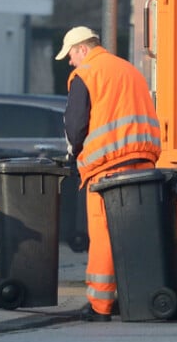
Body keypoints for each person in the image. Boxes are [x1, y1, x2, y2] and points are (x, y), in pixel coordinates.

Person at [56, 26, 162, 322]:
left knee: (103, 233)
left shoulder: (86, 74)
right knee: (136, 233)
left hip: (107, 166)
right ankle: (140, 298)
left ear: (82, 49)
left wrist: (73, 154)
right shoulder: (128, 69)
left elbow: (75, 126)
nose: (70, 62)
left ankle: (101, 304)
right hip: (143, 161)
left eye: (70, 55)